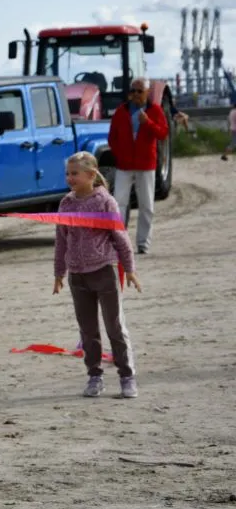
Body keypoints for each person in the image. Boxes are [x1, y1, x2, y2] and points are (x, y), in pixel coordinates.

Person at [53, 151, 142, 399]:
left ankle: (127, 376)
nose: (70, 178)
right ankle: (94, 376)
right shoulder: (66, 204)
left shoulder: (105, 202)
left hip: (104, 271)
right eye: (67, 173)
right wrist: (59, 273)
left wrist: (130, 269)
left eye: (75, 173)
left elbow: (120, 238)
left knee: (114, 326)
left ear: (91, 175)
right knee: (88, 330)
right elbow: (61, 240)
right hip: (77, 275)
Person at [107, 77, 169, 254]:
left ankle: (143, 243)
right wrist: (120, 154)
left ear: (147, 92)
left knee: (146, 205)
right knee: (119, 203)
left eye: (139, 91)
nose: (135, 94)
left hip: (145, 165)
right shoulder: (121, 111)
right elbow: (112, 138)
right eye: (132, 91)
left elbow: (163, 134)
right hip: (124, 166)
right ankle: (119, 242)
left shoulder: (155, 110)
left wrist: (148, 123)